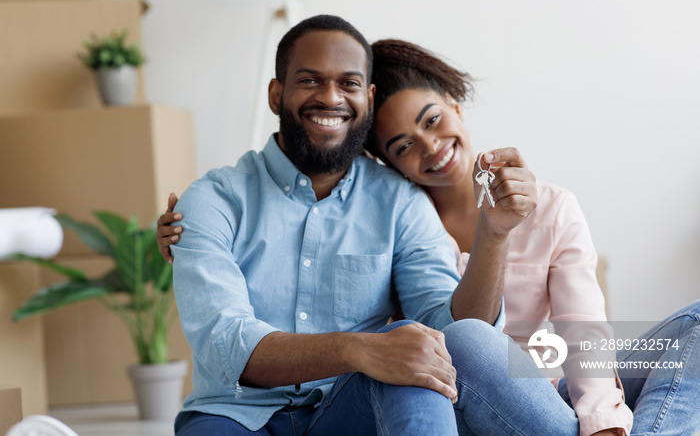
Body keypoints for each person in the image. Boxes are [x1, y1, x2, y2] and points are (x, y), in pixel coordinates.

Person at [160, 33, 700, 435]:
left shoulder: (546, 205)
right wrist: (187, 240)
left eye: (433, 119)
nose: (430, 146)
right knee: (456, 342)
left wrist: (602, 417)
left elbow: (584, 333)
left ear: (456, 108)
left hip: (552, 376)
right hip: (465, 390)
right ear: (383, 160)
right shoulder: (400, 214)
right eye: (402, 145)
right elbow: (443, 339)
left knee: (694, 324)